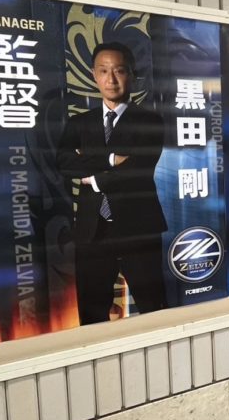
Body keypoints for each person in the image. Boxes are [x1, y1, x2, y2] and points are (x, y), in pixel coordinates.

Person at [57, 42, 168, 325]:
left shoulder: (150, 121)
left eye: (119, 71)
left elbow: (138, 170)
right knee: (91, 311)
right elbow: (63, 163)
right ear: (93, 75)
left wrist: (93, 177)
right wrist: (111, 159)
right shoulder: (80, 123)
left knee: (153, 305)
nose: (111, 79)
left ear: (131, 74)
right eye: (104, 71)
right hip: (91, 229)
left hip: (138, 227)